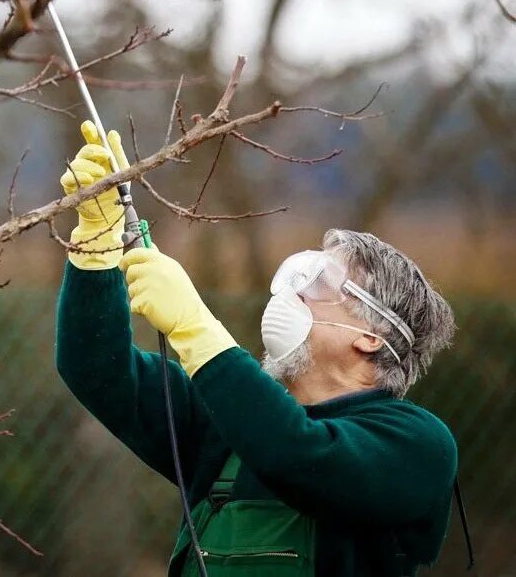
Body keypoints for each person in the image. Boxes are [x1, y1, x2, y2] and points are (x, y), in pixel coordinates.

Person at [55, 121, 458, 576]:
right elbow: (96, 369)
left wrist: (195, 326)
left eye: (319, 284)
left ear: (370, 335)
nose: (291, 295)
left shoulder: (417, 443)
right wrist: (96, 243)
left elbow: (298, 456)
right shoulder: (225, 426)